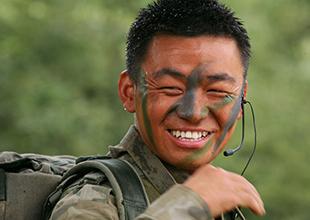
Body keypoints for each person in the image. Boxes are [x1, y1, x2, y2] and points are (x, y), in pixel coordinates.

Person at [49, 0, 265, 219]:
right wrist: (189, 205)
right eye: (171, 88)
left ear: (241, 100)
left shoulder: (218, 199)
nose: (193, 112)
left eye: (217, 91)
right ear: (129, 92)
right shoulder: (92, 198)